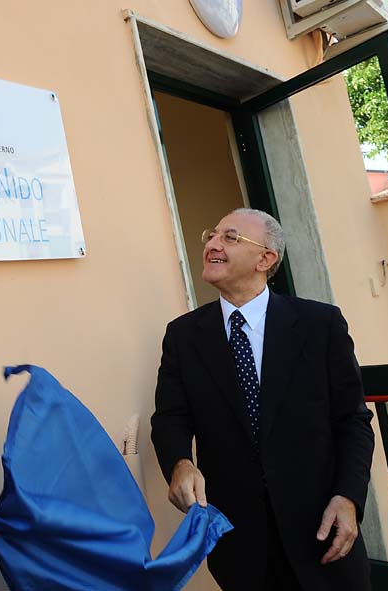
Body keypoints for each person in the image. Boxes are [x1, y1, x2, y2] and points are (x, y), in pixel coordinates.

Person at [150, 208, 374, 591]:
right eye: (212, 235)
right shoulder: (183, 336)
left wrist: (349, 497)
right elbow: (170, 417)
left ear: (265, 259)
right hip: (240, 546)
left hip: (322, 532)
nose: (213, 244)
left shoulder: (321, 325)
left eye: (230, 237)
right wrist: (180, 463)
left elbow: (352, 421)